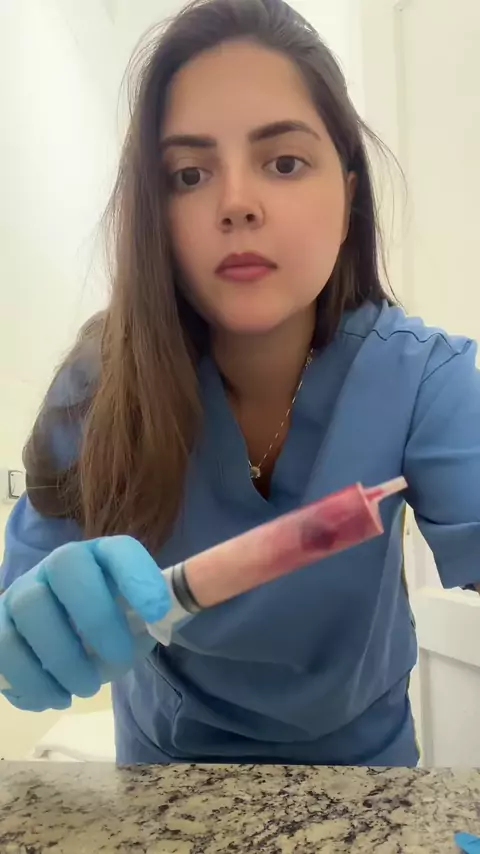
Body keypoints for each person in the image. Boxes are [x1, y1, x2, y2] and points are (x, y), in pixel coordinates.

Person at [1, 0, 479, 767]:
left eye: (283, 163)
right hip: (162, 787)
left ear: (348, 193)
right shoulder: (100, 383)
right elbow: (18, 628)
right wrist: (34, 634)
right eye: (189, 175)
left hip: (366, 784)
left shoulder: (425, 380)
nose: (235, 204)